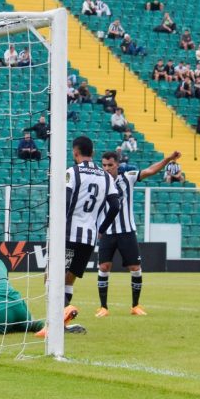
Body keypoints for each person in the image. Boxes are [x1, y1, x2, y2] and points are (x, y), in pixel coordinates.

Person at [35, 136, 120, 338]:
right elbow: (116, 206)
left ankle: (55, 320)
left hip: (67, 234)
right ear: (92, 152)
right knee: (69, 279)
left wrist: (56, 225)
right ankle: (61, 324)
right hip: (89, 237)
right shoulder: (106, 176)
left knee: (50, 275)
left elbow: (65, 200)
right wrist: (102, 229)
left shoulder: (72, 172)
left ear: (75, 152)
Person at [95, 150, 181, 317]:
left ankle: (135, 305)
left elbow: (150, 171)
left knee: (135, 268)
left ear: (117, 165)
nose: (106, 168)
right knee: (104, 267)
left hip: (127, 231)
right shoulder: (99, 182)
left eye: (110, 165)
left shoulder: (128, 177)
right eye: (104, 165)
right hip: (107, 232)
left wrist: (168, 159)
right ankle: (103, 307)